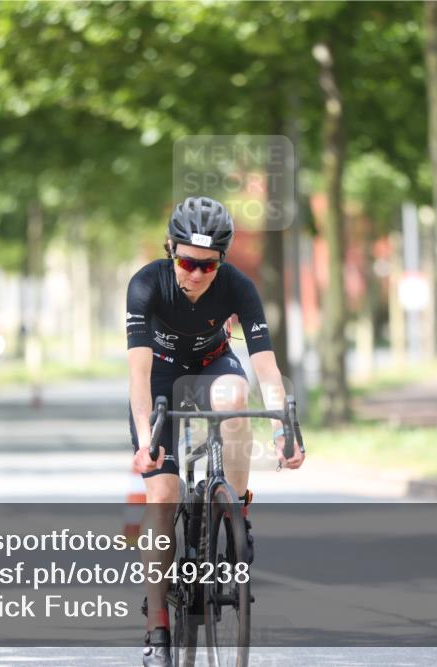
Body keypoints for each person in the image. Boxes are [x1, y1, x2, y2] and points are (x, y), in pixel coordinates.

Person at [126, 196, 305, 666]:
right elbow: (138, 375)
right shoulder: (146, 285)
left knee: (233, 398)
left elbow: (264, 365)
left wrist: (285, 428)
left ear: (221, 261)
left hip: (211, 365)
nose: (197, 275)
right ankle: (157, 626)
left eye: (208, 266)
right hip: (161, 376)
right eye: (187, 262)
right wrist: (147, 443)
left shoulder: (239, 287)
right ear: (170, 250)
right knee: (163, 499)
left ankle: (235, 510)